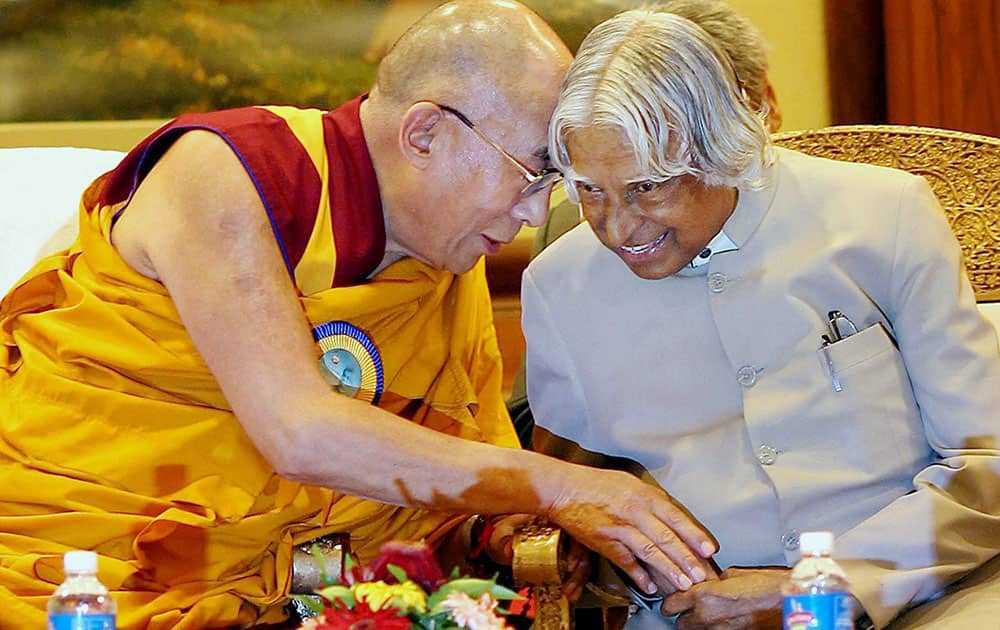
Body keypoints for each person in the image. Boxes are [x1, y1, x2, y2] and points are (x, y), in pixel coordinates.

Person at [0, 2, 718, 628]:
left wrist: (514, 531)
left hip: (333, 602)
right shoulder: (224, 172)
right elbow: (300, 432)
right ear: (426, 133)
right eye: (532, 174)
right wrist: (563, 485)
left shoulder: (444, 260)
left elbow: (465, 485)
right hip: (92, 578)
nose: (534, 213)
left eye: (553, 186)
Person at [523, 6, 1000, 629]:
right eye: (590, 190)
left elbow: (986, 464)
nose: (617, 229)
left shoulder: (885, 217)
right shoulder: (558, 288)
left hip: (919, 597)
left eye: (648, 187)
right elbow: (574, 506)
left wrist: (818, 591)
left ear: (724, 146)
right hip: (696, 616)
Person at [506, 0, 782, 448]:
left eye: (651, 183)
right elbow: (538, 429)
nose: (618, 229)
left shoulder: (862, 221)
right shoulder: (567, 245)